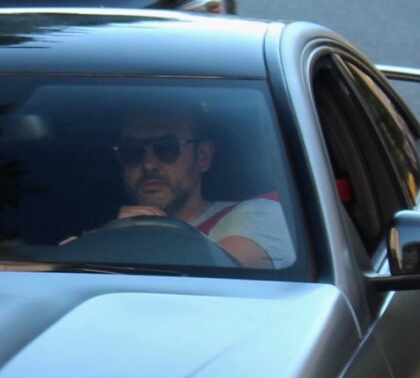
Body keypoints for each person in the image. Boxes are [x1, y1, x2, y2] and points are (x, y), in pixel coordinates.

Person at [102, 110, 293, 269]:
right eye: (133, 150)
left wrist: (153, 237)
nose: (149, 165)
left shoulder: (261, 213)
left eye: (166, 147)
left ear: (203, 156)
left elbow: (227, 276)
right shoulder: (103, 238)